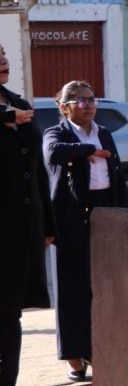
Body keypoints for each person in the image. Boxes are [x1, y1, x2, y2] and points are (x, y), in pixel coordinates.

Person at [43, 81, 128, 383]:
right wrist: (89, 150)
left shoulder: (103, 131)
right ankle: (74, 356)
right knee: (71, 289)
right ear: (64, 106)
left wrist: (123, 212)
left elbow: (116, 174)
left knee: (102, 287)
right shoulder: (57, 132)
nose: (89, 105)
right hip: (71, 216)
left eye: (92, 100)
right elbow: (54, 153)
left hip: (105, 210)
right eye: (81, 101)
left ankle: (98, 348)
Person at [0, 44, 55, 386]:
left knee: (10, 312)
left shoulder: (19, 103)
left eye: (3, 54)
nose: (3, 60)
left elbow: (37, 171)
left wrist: (47, 223)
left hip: (20, 227)